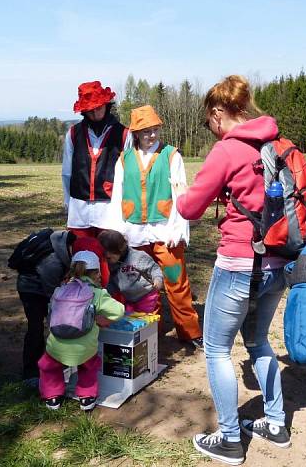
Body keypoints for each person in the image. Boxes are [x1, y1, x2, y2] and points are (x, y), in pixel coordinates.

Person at [175, 76, 290, 466]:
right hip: (277, 263)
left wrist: (180, 196)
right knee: (258, 342)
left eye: (210, 120)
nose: (211, 128)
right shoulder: (274, 143)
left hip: (239, 262)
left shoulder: (227, 150)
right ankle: (275, 424)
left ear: (219, 112)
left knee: (218, 350)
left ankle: (228, 439)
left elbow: (190, 208)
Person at [105, 105, 202, 347]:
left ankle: (189, 332)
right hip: (134, 234)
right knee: (142, 284)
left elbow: (181, 195)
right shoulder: (124, 159)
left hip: (164, 231)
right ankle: (150, 329)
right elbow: (117, 196)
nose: (151, 135)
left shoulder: (171, 155)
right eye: (145, 131)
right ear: (135, 133)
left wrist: (177, 230)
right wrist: (118, 232)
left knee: (175, 281)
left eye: (155, 129)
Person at [15, 231, 108, 386]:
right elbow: (57, 299)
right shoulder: (52, 263)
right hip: (31, 289)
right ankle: (31, 372)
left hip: (50, 286)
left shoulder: (71, 245)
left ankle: (61, 360)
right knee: (37, 327)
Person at [38, 251, 124, 412]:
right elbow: (119, 311)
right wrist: (104, 319)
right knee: (89, 366)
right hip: (85, 348)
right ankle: (86, 397)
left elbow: (51, 310)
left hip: (56, 346)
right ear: (97, 272)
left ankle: (52, 397)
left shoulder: (59, 291)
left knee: (49, 366)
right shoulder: (97, 294)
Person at [61, 81, 131, 239]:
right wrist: (68, 202)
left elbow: (129, 174)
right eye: (90, 110)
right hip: (79, 211)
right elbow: (67, 172)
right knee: (80, 258)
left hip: (110, 210)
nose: (95, 113)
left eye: (98, 107)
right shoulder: (73, 133)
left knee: (108, 259)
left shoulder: (124, 134)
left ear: (107, 105)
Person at [98, 229, 164, 313]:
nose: (107, 258)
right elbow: (113, 282)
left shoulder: (138, 257)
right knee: (130, 319)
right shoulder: (113, 263)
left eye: (109, 256)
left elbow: (154, 268)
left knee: (146, 321)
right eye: (105, 256)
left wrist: (157, 279)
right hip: (130, 299)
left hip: (146, 296)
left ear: (120, 249)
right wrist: (105, 293)